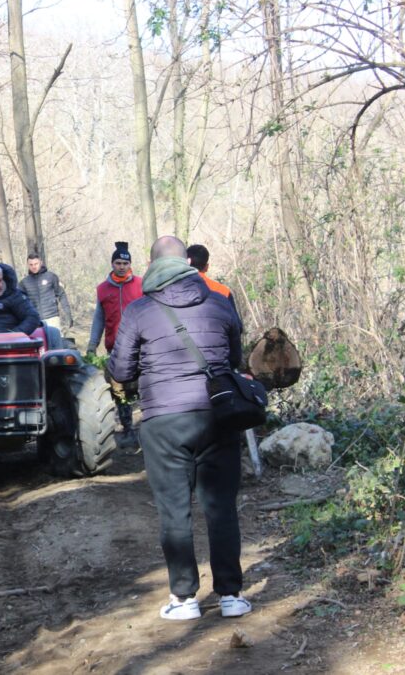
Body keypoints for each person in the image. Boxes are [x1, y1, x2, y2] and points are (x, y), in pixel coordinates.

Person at [108, 235, 250, 621]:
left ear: (151, 266)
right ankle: (231, 596)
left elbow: (120, 370)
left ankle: (184, 599)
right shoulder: (219, 302)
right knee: (221, 507)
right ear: (187, 263)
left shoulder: (139, 311)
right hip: (218, 415)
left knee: (174, 509)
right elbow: (234, 359)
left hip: (163, 420)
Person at [88, 241, 144, 446]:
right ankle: (127, 428)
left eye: (125, 263)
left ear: (130, 265)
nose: (122, 267)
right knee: (119, 390)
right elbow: (99, 319)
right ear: (112, 264)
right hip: (115, 348)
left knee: (143, 386)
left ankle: (147, 427)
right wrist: (92, 344)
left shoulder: (141, 285)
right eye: (118, 263)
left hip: (141, 346)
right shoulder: (103, 289)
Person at [19, 252, 74, 334]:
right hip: (35, 320)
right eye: (31, 264)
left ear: (41, 263)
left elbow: (61, 295)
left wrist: (68, 314)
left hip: (52, 318)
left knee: (56, 340)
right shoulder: (24, 283)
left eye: (36, 264)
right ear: (28, 265)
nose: (34, 266)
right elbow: (19, 303)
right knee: (39, 341)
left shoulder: (51, 277)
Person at [187, 244, 240, 320]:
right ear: (206, 267)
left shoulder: (174, 289)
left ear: (186, 263)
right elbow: (236, 324)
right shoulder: (223, 291)